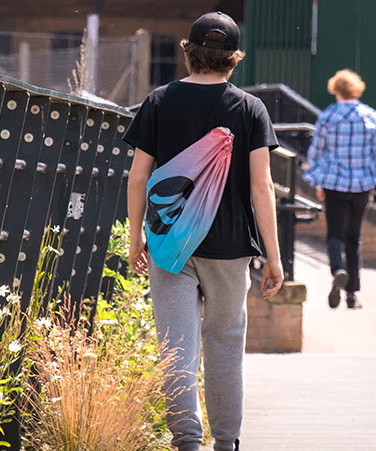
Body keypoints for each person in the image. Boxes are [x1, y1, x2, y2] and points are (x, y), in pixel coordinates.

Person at [123, 11, 284, 451]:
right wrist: (273, 255)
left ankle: (186, 440)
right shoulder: (249, 108)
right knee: (226, 341)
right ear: (234, 59)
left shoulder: (158, 101)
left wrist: (136, 234)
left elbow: (139, 177)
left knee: (176, 344)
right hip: (230, 246)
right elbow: (261, 186)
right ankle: (227, 441)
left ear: (189, 53)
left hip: (169, 240)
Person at [304, 69, 376, 310]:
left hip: (333, 184)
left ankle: (337, 270)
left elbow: (316, 153)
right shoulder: (373, 117)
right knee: (354, 238)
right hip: (362, 187)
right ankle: (352, 295)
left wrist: (319, 181)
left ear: (336, 90)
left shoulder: (328, 117)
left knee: (335, 234)